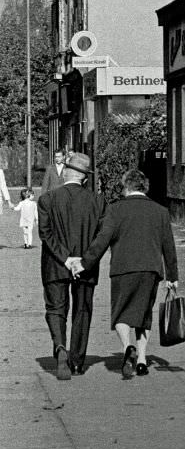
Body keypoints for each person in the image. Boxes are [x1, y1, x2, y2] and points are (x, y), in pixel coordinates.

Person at [72, 169, 178, 379]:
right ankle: (141, 360)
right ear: (144, 186)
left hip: (123, 268)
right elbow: (169, 246)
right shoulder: (160, 211)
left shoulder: (115, 210)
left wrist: (85, 262)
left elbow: (103, 240)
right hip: (150, 269)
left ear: (126, 186)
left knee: (121, 313)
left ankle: (127, 346)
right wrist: (172, 277)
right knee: (143, 315)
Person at [37, 152, 105, 379]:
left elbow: (45, 234)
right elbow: (102, 237)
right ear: (85, 178)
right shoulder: (97, 201)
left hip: (55, 265)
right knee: (82, 310)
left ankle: (59, 346)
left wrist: (65, 258)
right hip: (86, 266)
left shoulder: (47, 199)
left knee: (56, 308)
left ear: (66, 172)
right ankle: (77, 360)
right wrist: (83, 261)